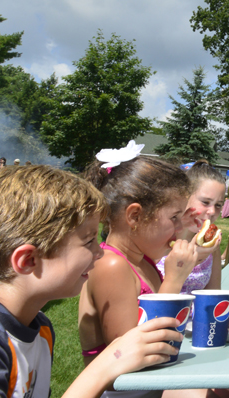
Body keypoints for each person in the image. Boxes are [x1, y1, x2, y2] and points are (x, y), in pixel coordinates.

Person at [0, 165, 179, 398]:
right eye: (88, 241)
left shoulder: (39, 328)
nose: (99, 252)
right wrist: (104, 367)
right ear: (28, 261)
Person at [79, 149, 205, 376]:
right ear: (135, 217)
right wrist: (175, 279)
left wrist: (184, 232)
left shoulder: (142, 261)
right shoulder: (111, 266)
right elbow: (132, 357)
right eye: (174, 217)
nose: (178, 227)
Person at [156, 160, 225, 292]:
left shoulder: (211, 247)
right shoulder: (159, 241)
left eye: (218, 205)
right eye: (205, 202)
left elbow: (213, 294)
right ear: (184, 197)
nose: (212, 212)